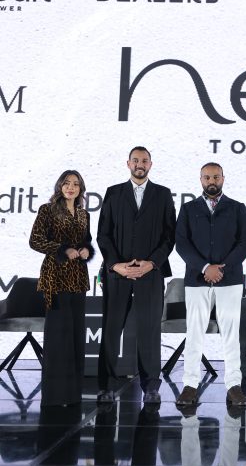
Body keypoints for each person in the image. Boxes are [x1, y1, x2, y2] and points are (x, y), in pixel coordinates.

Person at [97, 146, 176, 406]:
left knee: (150, 332)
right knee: (111, 331)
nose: (139, 164)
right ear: (128, 164)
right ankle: (106, 386)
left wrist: (152, 263)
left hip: (150, 274)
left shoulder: (163, 194)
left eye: (144, 160)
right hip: (118, 274)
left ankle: (151, 387)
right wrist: (115, 265)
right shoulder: (113, 192)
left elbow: (169, 236)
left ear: (150, 164)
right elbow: (103, 234)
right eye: (135, 160)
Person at [175, 162, 246, 408]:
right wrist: (204, 267)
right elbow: (181, 243)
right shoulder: (188, 209)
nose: (212, 181)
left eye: (216, 177)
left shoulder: (237, 208)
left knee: (231, 334)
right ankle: (190, 385)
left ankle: (234, 386)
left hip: (229, 280)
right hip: (197, 280)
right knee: (194, 333)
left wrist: (221, 269)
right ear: (201, 180)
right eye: (207, 177)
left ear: (223, 178)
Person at [29, 170, 94, 406]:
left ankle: (73, 394)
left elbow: (87, 241)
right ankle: (55, 396)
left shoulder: (84, 214)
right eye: (66, 183)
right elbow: (35, 240)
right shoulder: (47, 210)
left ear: (81, 189)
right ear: (59, 186)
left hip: (78, 279)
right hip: (55, 278)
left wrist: (86, 250)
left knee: (75, 336)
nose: (71, 187)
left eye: (75, 184)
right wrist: (62, 249)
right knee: (58, 337)